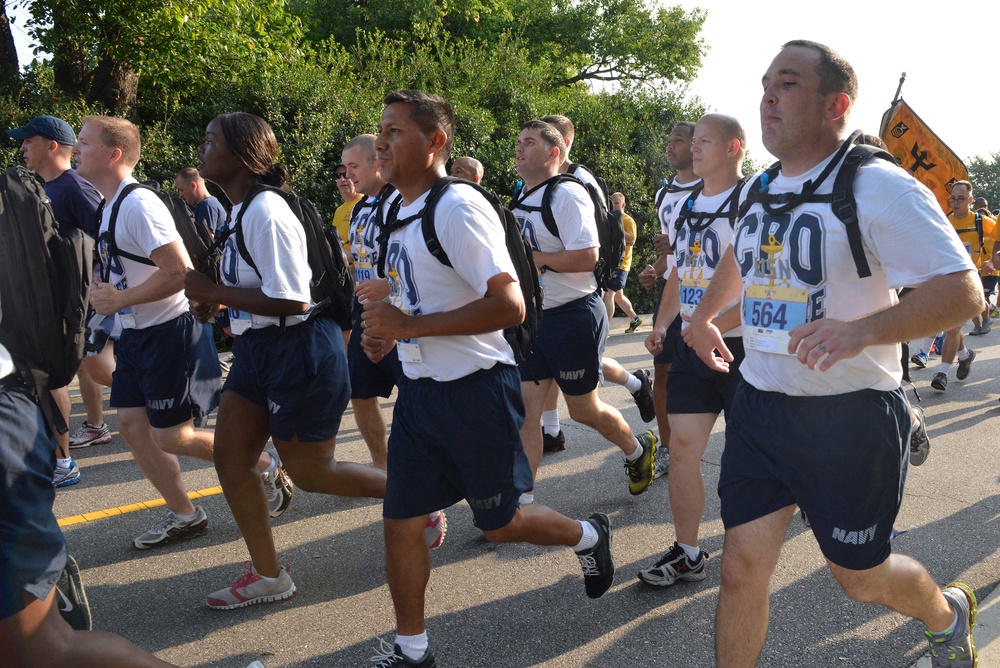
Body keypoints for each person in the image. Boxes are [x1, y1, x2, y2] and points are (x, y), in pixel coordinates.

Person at [683, 40, 982, 666]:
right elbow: (745, 253)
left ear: (835, 104)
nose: (768, 96)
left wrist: (862, 331)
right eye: (765, 82)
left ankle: (946, 612)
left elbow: (963, 292)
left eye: (787, 84)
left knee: (860, 578)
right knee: (739, 569)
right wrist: (706, 315)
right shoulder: (762, 187)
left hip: (850, 417)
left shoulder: (878, 186)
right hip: (762, 407)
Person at [361, 90, 615, 666]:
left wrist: (408, 324)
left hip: (478, 390)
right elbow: (420, 294)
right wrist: (386, 324)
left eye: (396, 131)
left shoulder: (458, 207)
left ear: (436, 142)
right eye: (381, 129)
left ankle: (588, 534)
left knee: (500, 525)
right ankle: (412, 649)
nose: (382, 141)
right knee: (401, 521)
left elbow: (510, 305)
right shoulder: (392, 211)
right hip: (421, 394)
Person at [182, 113, 424, 609]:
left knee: (312, 472)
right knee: (231, 459)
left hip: (297, 349)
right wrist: (219, 302)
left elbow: (293, 298)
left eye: (212, 141)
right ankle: (270, 576)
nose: (202, 148)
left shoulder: (265, 210)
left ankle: (419, 498)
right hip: (258, 351)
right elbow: (258, 286)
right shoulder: (238, 209)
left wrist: (213, 290)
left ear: (242, 153)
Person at [74, 115, 288, 550]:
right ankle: (185, 514)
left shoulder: (138, 204)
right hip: (137, 333)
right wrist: (107, 290)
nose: (75, 149)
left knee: (173, 436)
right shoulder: (109, 203)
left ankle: (266, 464)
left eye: (83, 142)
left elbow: (179, 272)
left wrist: (119, 300)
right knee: (134, 427)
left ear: (113, 154)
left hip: (168, 332)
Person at [510, 119, 656, 500]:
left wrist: (531, 259)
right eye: (519, 141)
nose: (519, 148)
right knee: (526, 412)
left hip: (573, 315)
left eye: (529, 142)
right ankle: (521, 500)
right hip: (534, 320)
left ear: (554, 152)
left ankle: (638, 450)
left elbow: (587, 258)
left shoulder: (566, 195)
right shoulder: (521, 197)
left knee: (584, 410)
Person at [638, 113, 748, 589]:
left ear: (734, 148)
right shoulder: (686, 206)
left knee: (753, 456)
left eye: (705, 141)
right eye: (693, 140)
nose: (693, 148)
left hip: (744, 348)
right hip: (689, 345)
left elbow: (765, 281)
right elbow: (683, 272)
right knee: (682, 450)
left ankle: (756, 542)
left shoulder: (755, 200)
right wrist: (664, 323)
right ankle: (688, 550)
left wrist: (710, 326)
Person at [6, 115, 109, 482]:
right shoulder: (47, 187)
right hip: (56, 304)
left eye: (27, 141)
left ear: (52, 145)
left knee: (56, 377)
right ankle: (73, 446)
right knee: (69, 373)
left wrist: (96, 290)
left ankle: (63, 462)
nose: (21, 149)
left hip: (78, 304)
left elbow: (105, 243)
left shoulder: (74, 187)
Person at [638, 121, 701, 478]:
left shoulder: (713, 188)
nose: (669, 145)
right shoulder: (664, 195)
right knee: (663, 369)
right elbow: (668, 253)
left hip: (707, 291)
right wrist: (656, 269)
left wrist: (673, 251)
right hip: (672, 291)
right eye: (668, 139)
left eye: (678, 140)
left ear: (696, 146)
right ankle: (666, 448)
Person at [930, 180, 991, 390]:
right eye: (953, 198)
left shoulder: (981, 222)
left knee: (953, 327)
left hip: (970, 282)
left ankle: (942, 373)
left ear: (971, 200)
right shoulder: (944, 221)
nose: (956, 203)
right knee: (950, 327)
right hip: (947, 281)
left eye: (961, 199)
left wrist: (992, 261)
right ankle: (965, 355)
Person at [604, 191, 642, 333]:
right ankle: (635, 319)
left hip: (622, 264)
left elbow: (631, 240)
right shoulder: (608, 219)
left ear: (623, 204)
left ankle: (605, 330)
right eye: (612, 203)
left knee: (608, 295)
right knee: (618, 297)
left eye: (617, 203)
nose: (614, 206)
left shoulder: (628, 220)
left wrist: (618, 228)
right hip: (612, 263)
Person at [174, 166, 228, 237]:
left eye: (181, 190)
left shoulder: (206, 206)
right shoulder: (210, 203)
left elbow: (207, 241)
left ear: (193, 186)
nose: (180, 195)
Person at [331, 160, 363, 264]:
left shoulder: (365, 204)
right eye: (338, 176)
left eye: (345, 175)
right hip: (344, 271)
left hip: (363, 269)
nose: (342, 179)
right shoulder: (338, 211)